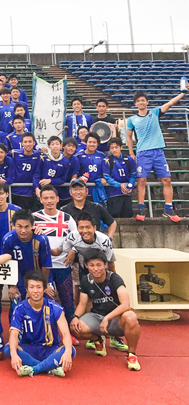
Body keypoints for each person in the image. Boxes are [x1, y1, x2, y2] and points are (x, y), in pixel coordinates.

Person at [70, 252, 142, 371]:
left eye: (99, 265)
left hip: (116, 318)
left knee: (131, 317)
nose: (96, 269)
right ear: (87, 266)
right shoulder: (85, 280)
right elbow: (82, 304)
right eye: (92, 265)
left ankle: (132, 354)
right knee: (76, 327)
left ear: (105, 265)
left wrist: (107, 318)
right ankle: (97, 340)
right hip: (96, 316)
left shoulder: (114, 278)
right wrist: (75, 316)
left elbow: (126, 304)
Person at [126, 89, 186, 222]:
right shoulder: (132, 120)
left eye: (143, 100)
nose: (141, 102)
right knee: (141, 180)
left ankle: (169, 209)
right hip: (142, 153)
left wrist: (183, 93)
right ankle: (141, 209)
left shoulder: (154, 113)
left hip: (158, 151)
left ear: (147, 102)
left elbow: (170, 103)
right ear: (135, 104)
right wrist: (131, 152)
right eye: (138, 101)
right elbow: (129, 137)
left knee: (167, 180)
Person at [4, 271, 75, 377]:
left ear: (44, 289)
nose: (35, 291)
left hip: (50, 349)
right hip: (29, 348)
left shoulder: (55, 308)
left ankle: (34, 369)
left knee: (71, 350)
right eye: (32, 287)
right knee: (8, 348)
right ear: (27, 289)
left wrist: (68, 351)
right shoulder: (20, 308)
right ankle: (49, 368)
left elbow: (65, 333)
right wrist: (14, 355)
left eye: (39, 287)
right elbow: (14, 334)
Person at [33, 185, 78, 339]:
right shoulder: (34, 218)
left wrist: (73, 251)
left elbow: (77, 237)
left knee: (67, 300)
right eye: (45, 198)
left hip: (63, 265)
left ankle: (71, 334)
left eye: (52, 197)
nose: (49, 201)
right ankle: (47, 334)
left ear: (58, 199)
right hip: (42, 267)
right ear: (40, 200)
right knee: (44, 301)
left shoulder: (67, 218)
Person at [103, 137, 137, 218]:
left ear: (121, 147)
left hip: (127, 193)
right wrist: (120, 185)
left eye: (116, 147)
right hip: (113, 194)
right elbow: (107, 177)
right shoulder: (107, 160)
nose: (114, 150)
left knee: (127, 216)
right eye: (112, 148)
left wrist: (130, 185)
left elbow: (133, 174)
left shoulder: (129, 159)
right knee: (113, 216)